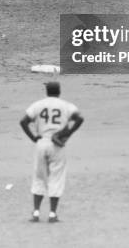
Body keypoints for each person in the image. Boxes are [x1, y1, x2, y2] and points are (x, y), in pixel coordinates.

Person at [19, 82, 84, 223]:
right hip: (57, 144)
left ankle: (36, 213)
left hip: (41, 142)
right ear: (59, 92)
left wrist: (33, 137)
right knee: (57, 178)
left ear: (47, 92)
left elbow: (23, 121)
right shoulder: (66, 105)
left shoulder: (38, 105)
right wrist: (69, 133)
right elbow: (80, 118)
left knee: (39, 177)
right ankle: (52, 214)